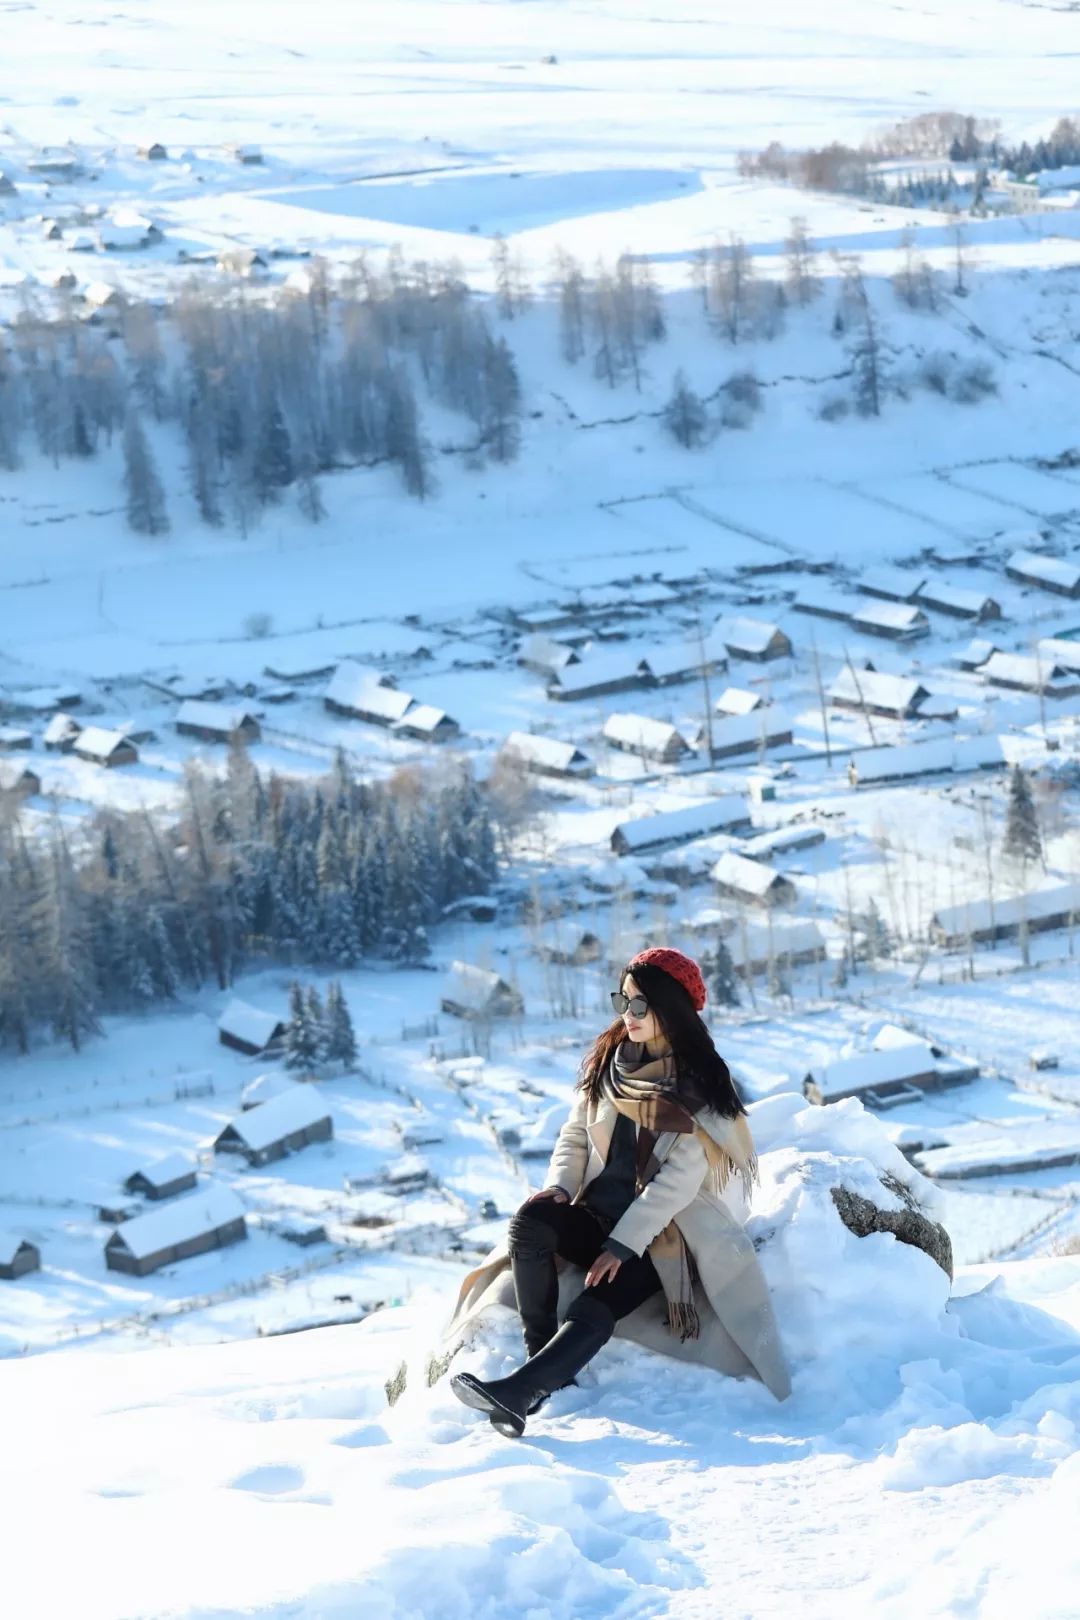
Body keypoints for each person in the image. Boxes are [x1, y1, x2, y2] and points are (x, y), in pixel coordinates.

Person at [447, 946, 789, 1438]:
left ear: (670, 1010)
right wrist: (561, 1189)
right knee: (531, 1223)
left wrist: (619, 1247)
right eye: (623, 1001)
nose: (627, 1015)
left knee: (595, 1301)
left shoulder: (700, 1090)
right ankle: (539, 1360)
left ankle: (523, 1392)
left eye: (640, 1005)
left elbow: (674, 1186)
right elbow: (576, 1133)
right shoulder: (612, 1064)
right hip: (597, 1213)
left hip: (664, 1235)